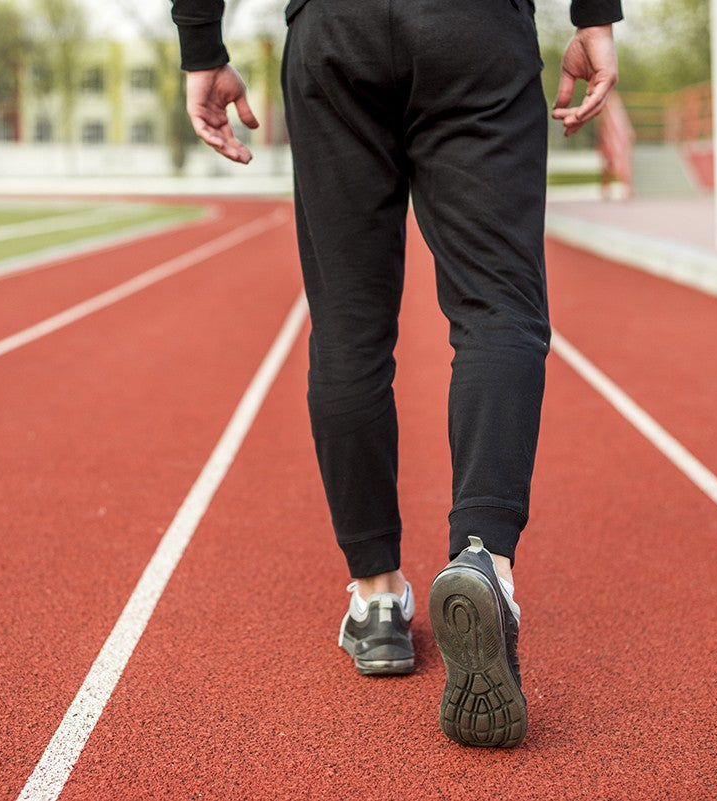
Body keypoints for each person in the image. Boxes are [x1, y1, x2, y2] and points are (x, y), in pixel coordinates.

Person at [170, 0, 621, 747]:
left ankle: (377, 599)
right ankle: (486, 562)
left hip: (333, 34)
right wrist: (596, 16)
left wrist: (200, 46)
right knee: (497, 307)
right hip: (475, 30)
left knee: (349, 330)